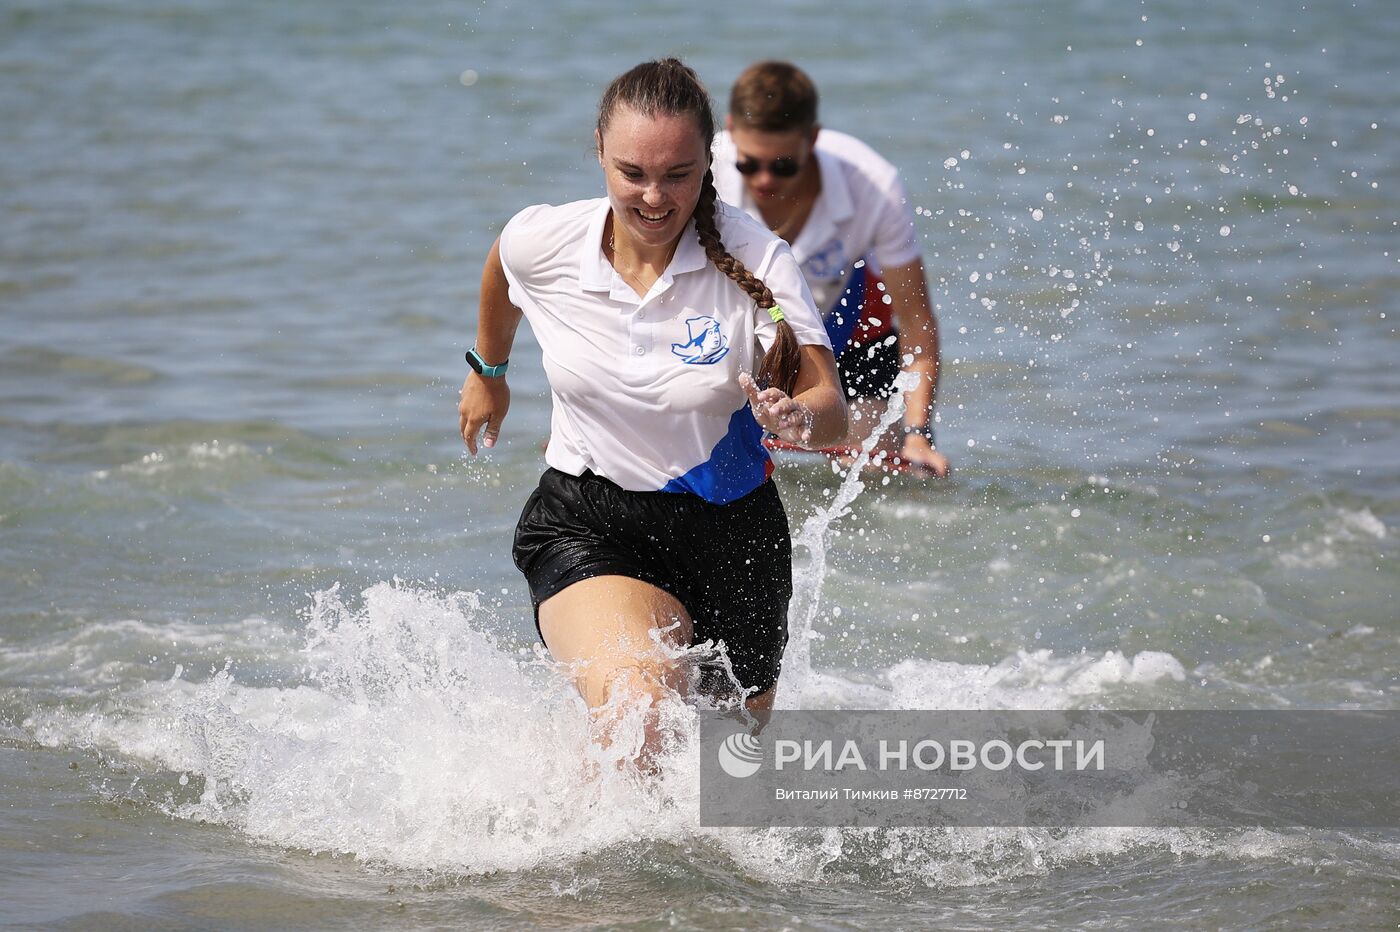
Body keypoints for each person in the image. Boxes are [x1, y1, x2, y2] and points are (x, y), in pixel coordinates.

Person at [458, 59, 847, 765]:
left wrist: (799, 419)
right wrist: (488, 372)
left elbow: (833, 411)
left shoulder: (760, 263)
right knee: (640, 709)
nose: (655, 196)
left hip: (736, 542)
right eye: (632, 172)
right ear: (599, 152)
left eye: (678, 174)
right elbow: (501, 268)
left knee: (725, 781)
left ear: (708, 164)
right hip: (589, 522)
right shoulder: (547, 241)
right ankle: (559, 871)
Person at [713, 61, 950, 477]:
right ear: (731, 132)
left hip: (848, 333)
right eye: (750, 164)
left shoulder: (875, 185)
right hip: (739, 339)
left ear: (813, 139)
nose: (764, 180)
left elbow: (916, 325)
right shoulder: (705, 167)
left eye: (783, 165)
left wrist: (918, 435)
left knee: (871, 477)